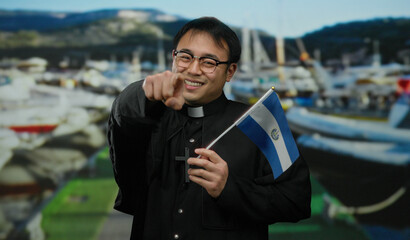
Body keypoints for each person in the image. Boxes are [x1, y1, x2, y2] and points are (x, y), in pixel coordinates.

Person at [107, 17, 311, 240]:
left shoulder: (260, 121)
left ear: (230, 71)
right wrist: (142, 90)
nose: (193, 70)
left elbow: (296, 201)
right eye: (185, 57)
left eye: (209, 62)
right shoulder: (149, 114)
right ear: (173, 58)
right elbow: (121, 118)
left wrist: (228, 188)